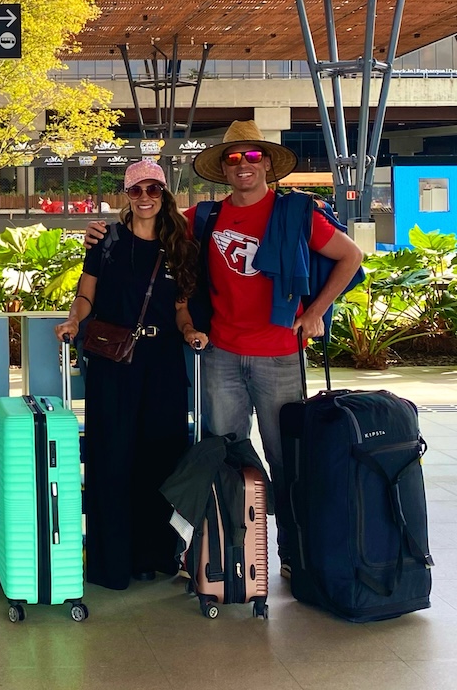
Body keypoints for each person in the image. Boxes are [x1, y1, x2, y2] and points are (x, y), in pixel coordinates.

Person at [85, 121, 363, 579]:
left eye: (252, 156)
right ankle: (229, 556)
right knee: (223, 459)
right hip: (221, 356)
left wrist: (315, 312)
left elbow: (351, 256)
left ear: (267, 163)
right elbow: (149, 223)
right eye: (234, 158)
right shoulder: (204, 217)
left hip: (279, 354)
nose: (243, 165)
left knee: (285, 458)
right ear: (224, 168)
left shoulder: (296, 213)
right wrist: (100, 233)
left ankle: (294, 554)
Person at [54, 159, 198, 590]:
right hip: (114, 361)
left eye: (153, 190)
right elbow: (86, 294)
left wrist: (190, 331)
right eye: (137, 190)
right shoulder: (106, 241)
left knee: (160, 456)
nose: (145, 198)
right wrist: (73, 320)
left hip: (163, 362)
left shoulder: (179, 246)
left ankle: (153, 556)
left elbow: (181, 307)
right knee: (112, 457)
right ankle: (111, 562)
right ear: (127, 195)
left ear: (164, 195)